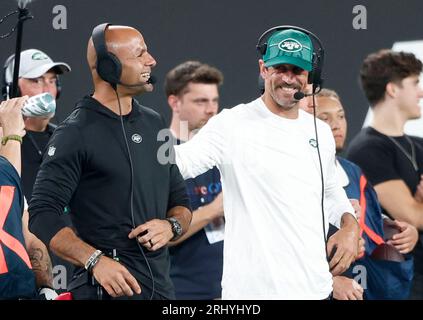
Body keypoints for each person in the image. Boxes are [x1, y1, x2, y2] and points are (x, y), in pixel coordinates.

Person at [174, 26, 360, 299]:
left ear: (310, 76)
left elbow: (330, 190)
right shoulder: (232, 124)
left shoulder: (319, 132)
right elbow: (182, 163)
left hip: (316, 291)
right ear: (263, 69)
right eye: (280, 68)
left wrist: (349, 226)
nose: (288, 78)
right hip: (253, 295)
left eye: (297, 70)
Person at [28, 24, 192, 300]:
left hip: (161, 291)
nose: (151, 61)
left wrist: (171, 226)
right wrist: (95, 260)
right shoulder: (74, 133)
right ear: (108, 67)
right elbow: (43, 214)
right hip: (102, 292)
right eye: (140, 54)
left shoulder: (155, 123)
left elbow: (181, 203)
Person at [307, 88, 418, 299]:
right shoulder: (297, 173)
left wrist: (402, 231)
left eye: (340, 116)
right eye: (324, 117)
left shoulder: (353, 171)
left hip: (360, 279)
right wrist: (329, 281)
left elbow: (372, 217)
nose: (336, 124)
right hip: (318, 285)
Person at [346, 49, 423, 299]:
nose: (421, 92)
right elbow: (409, 216)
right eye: (415, 84)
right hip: (403, 281)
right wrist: (415, 206)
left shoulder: (418, 144)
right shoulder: (368, 148)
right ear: (392, 90)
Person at [3, 49, 73, 293]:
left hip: (72, 262)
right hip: (20, 269)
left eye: (52, 81)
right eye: (36, 80)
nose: (47, 89)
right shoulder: (5, 142)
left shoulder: (69, 139)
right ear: (12, 89)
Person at [165, 61, 224, 299]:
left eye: (214, 101)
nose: (211, 109)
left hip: (233, 290)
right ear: (174, 102)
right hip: (182, 292)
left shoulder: (225, 154)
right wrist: (214, 209)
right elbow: (159, 234)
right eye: (201, 101)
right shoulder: (160, 157)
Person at [0, 96, 56, 299]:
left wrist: (47, 288)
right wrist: (11, 135)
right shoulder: (6, 178)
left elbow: (30, 238)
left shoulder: (10, 184)